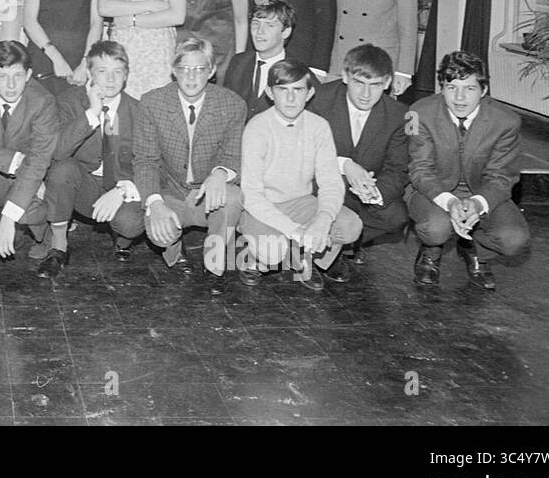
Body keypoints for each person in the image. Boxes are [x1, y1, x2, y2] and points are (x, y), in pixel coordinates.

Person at [406, 51, 529, 291]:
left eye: (470, 89)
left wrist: (478, 203)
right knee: (435, 228)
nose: (460, 98)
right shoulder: (418, 112)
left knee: (514, 239)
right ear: (441, 87)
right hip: (432, 191)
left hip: (482, 191)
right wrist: (450, 202)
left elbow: (501, 177)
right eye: (452, 88)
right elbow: (420, 170)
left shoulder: (507, 121)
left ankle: (475, 251)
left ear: (483, 91)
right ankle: (431, 250)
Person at [237, 59, 362, 291]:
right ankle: (257, 256)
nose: (291, 98)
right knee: (271, 251)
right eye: (282, 90)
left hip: (302, 202)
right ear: (269, 93)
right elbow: (252, 195)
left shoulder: (319, 126)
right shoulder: (257, 128)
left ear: (310, 93)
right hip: (264, 205)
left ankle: (304, 258)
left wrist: (322, 220)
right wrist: (297, 231)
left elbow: (331, 182)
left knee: (350, 225)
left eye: (298, 90)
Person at [136, 39, 247, 276]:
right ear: (173, 70)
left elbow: (234, 155)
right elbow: (145, 160)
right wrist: (154, 203)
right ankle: (175, 253)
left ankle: (215, 263)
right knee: (160, 234)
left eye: (199, 69)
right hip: (171, 191)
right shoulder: (151, 102)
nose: (191, 77)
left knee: (233, 197)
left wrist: (220, 174)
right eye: (184, 69)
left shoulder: (232, 104)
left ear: (212, 71)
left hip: (208, 193)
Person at [307, 44, 410, 269]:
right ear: (345, 76)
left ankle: (344, 245)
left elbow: (398, 168)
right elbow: (304, 152)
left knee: (396, 216)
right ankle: (314, 252)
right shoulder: (318, 100)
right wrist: (345, 164)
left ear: (388, 83)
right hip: (318, 186)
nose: (366, 94)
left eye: (375, 86)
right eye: (359, 83)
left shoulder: (400, 115)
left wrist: (375, 192)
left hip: (363, 192)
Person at [0, 41, 62, 274]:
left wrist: (9, 217)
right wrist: (14, 161)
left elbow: (38, 161)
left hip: (28, 178)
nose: (10, 85)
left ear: (28, 75)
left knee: (27, 208)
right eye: (2, 76)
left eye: (17, 76)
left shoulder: (43, 101)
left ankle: (42, 234)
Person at [46, 40, 144, 260]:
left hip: (121, 186)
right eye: (102, 71)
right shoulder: (68, 101)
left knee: (130, 224)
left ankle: (123, 242)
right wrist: (92, 113)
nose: (110, 79)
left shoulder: (139, 111)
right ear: (89, 73)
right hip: (84, 186)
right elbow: (58, 152)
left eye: (117, 71)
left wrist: (122, 191)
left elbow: (149, 163)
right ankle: (58, 245)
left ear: (126, 75)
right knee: (62, 169)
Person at [222, 0, 308, 117]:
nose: (259, 32)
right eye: (256, 23)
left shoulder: (298, 73)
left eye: (270, 25)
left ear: (286, 32)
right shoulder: (238, 63)